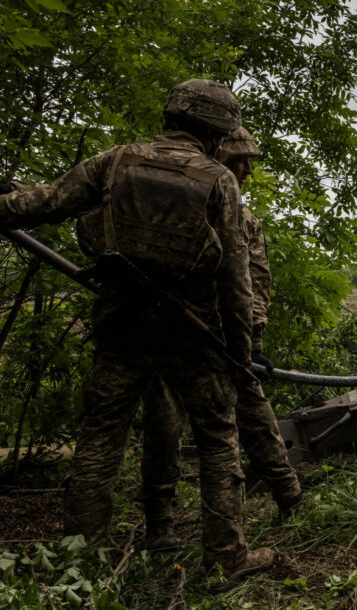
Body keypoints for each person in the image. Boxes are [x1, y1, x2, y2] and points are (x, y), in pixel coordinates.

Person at [0, 79, 273, 589]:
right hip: (190, 338)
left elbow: (46, 202)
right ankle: (225, 559)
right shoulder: (219, 181)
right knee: (217, 440)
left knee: (101, 438)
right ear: (219, 132)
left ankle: (82, 558)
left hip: (120, 329)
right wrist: (243, 353)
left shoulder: (117, 160)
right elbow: (235, 280)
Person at [139, 126, 302, 552]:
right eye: (239, 161)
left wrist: (253, 340)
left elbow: (255, 283)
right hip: (172, 336)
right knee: (164, 427)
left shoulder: (247, 221)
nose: (247, 170)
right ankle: (160, 525)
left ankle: (292, 500)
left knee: (257, 417)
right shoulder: (177, 203)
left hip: (230, 340)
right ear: (216, 157)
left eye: (249, 162)